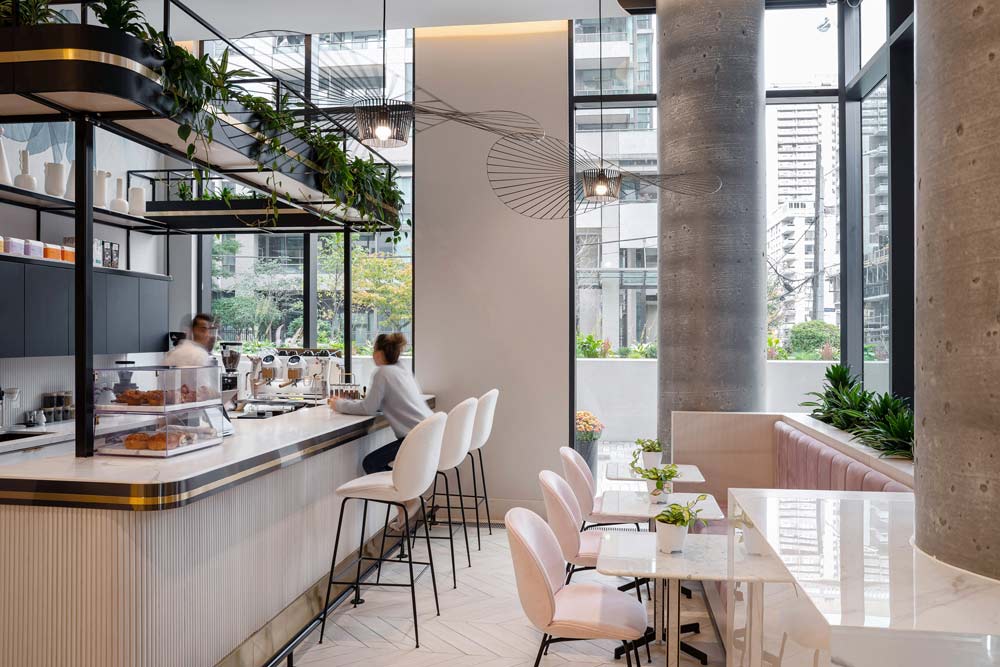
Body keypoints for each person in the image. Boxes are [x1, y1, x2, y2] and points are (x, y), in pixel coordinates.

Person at [330, 333, 431, 474]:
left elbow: (368, 409)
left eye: (374, 350)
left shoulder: (382, 372)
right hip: (429, 433)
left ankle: (401, 487)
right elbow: (384, 402)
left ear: (379, 353)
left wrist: (338, 404)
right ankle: (403, 485)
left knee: (370, 463)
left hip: (414, 438)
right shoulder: (403, 368)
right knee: (382, 465)